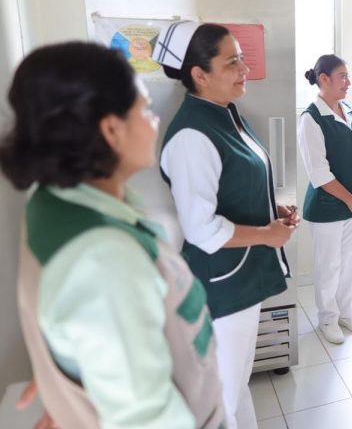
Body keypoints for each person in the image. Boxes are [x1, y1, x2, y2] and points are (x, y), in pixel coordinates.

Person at [0, 41, 226, 428]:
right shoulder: (103, 258)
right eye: (146, 110)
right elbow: (147, 419)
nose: (155, 121)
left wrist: (75, 381)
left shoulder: (55, 203)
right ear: (111, 129)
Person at [154, 22, 297, 429]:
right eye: (232, 62)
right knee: (222, 401)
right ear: (199, 74)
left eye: (242, 59)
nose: (244, 69)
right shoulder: (192, 136)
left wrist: (272, 210)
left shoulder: (225, 114)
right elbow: (201, 228)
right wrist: (268, 235)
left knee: (235, 387)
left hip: (242, 277)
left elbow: (236, 185)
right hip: (222, 284)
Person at [298, 54, 352, 344]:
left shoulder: (349, 111)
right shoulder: (311, 119)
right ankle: (328, 318)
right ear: (324, 79)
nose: (348, 82)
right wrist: (351, 200)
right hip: (328, 206)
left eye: (347, 76)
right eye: (342, 76)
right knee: (328, 264)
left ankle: (346, 314)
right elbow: (319, 172)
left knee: (349, 260)